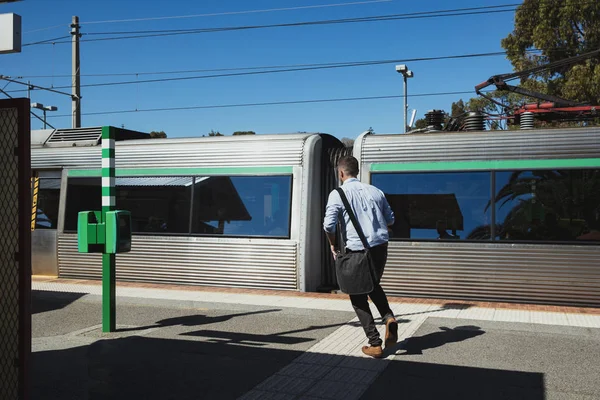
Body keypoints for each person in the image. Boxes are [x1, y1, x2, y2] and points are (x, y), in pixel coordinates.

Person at [323, 156, 398, 358]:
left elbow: (329, 225)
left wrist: (333, 245)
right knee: (372, 284)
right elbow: (391, 219)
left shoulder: (337, 194)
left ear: (341, 173)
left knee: (357, 296)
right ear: (357, 171)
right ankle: (388, 317)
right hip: (380, 248)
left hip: (357, 250)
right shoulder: (376, 191)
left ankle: (375, 343)